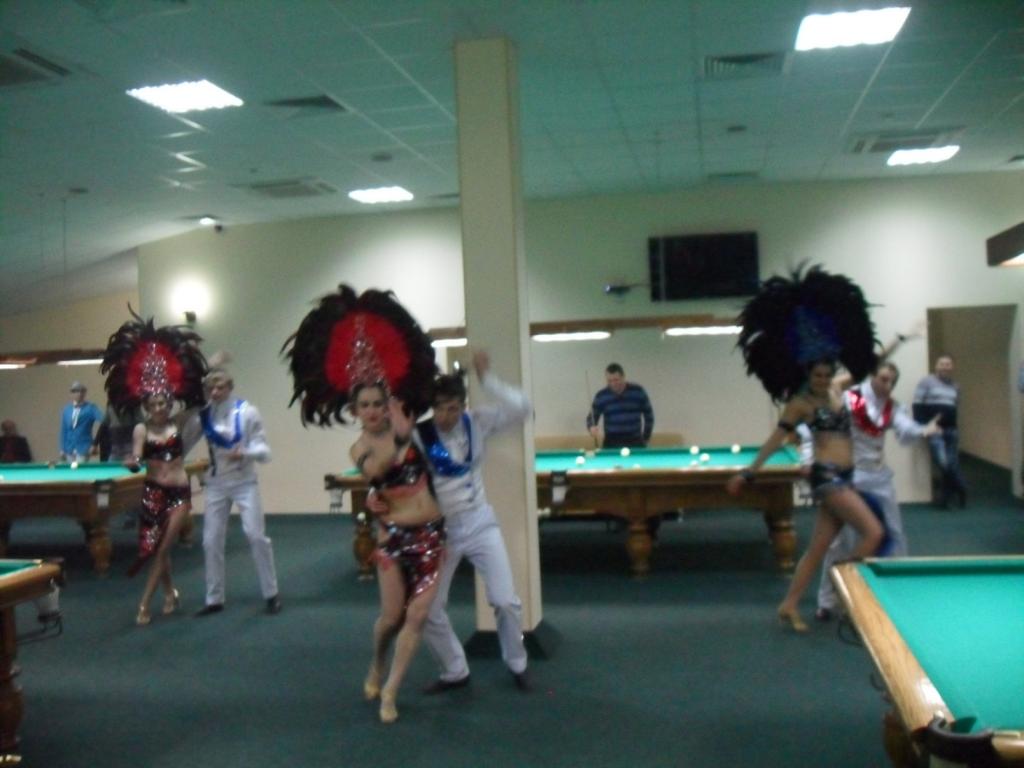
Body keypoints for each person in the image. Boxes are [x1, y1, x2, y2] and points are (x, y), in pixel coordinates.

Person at [284, 284, 439, 724]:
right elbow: (376, 473)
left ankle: (391, 690)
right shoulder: (360, 448)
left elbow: (441, 454)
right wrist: (401, 443)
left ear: (389, 402)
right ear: (354, 410)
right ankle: (376, 663)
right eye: (365, 405)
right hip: (393, 542)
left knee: (418, 616)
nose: (373, 411)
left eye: (378, 403)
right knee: (390, 619)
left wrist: (413, 432)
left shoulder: (411, 429)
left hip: (432, 536)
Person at [726, 266, 884, 632]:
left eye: (828, 374)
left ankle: (789, 604)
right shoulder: (799, 404)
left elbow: (868, 366)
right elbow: (774, 440)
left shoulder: (837, 390)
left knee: (817, 549)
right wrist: (749, 471)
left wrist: (900, 341)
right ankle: (845, 590)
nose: (823, 380)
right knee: (873, 533)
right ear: (807, 373)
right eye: (818, 375)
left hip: (846, 476)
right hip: (828, 479)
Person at [369, 350, 532, 693]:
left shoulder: (478, 422)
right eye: (441, 408)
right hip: (439, 531)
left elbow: (523, 407)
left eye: (454, 408)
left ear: (463, 404)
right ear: (432, 406)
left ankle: (517, 664)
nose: (447, 415)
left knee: (505, 601)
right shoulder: (419, 435)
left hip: (480, 522)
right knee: (427, 609)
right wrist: (375, 494)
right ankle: (455, 669)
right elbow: (394, 471)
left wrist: (488, 379)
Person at [812, 343, 941, 621]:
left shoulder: (893, 408)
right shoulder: (849, 399)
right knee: (840, 540)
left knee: (894, 533)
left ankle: (898, 590)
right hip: (849, 478)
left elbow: (905, 427)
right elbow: (826, 402)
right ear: (872, 376)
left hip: (878, 477)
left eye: (892, 381)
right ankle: (827, 600)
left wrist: (924, 430)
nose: (887, 385)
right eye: (883, 379)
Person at [101, 311, 207, 626]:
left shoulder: (179, 423)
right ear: (146, 406)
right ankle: (170, 592)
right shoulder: (141, 430)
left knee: (160, 551)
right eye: (154, 404)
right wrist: (133, 463)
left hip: (178, 494)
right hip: (152, 494)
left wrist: (210, 365)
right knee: (160, 550)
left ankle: (144, 603)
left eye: (164, 403)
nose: (160, 408)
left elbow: (201, 403)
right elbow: (136, 456)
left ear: (169, 402)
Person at [195, 360, 281, 617]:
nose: (215, 392)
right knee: (210, 540)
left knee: (256, 535)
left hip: (244, 482)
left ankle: (271, 594)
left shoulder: (248, 412)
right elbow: (183, 439)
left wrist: (245, 452)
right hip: (216, 484)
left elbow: (265, 452)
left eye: (220, 387)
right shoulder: (204, 415)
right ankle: (214, 598)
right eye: (211, 388)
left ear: (230, 387)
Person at [913, 355, 966, 507]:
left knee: (952, 463)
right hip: (934, 429)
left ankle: (945, 498)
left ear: (952, 367)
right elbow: (917, 405)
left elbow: (954, 405)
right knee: (943, 462)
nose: (945, 367)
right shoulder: (926, 382)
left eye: (948, 364)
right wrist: (924, 426)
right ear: (936, 366)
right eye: (942, 364)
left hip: (951, 429)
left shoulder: (955, 386)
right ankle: (961, 487)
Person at [586, 363, 654, 448]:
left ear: (623, 377)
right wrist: (591, 427)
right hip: (611, 443)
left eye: (616, 380)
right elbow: (591, 418)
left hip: (635, 441)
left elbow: (649, 416)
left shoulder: (638, 391)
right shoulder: (601, 396)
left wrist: (646, 438)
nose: (613, 383)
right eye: (609, 381)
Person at [59, 381, 103, 462]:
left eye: (81, 391)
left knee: (81, 468)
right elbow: (64, 430)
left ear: (84, 393)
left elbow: (104, 421)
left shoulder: (91, 408)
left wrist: (95, 443)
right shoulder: (67, 409)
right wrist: (62, 448)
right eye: (76, 391)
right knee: (70, 469)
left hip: (84, 447)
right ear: (71, 394)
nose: (79, 394)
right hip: (69, 448)